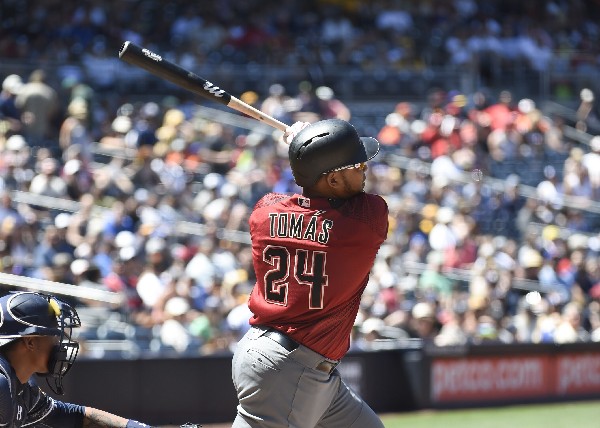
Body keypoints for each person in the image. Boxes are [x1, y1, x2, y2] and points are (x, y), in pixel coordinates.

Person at [232, 119, 388, 427]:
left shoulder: (264, 213)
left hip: (282, 357)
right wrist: (301, 143)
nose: (365, 169)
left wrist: (302, 149)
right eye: (356, 165)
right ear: (331, 180)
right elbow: (346, 207)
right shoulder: (365, 220)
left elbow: (290, 200)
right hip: (289, 365)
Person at [0, 290, 156, 427]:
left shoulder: (22, 388)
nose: (59, 342)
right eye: (53, 336)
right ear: (31, 342)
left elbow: (71, 416)